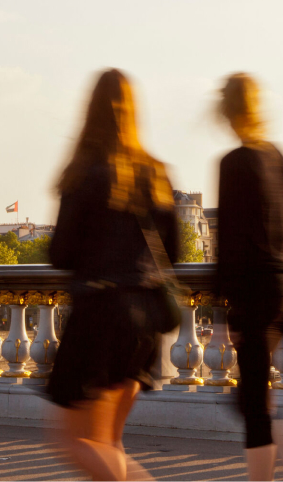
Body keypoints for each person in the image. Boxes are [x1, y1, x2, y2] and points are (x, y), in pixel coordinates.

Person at [48, 69, 178, 481]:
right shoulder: (155, 172)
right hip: (147, 318)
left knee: (71, 439)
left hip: (101, 312)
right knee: (109, 443)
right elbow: (173, 252)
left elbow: (61, 252)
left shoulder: (86, 169)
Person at [213, 73, 283, 482]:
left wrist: (221, 315)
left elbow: (229, 242)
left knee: (251, 404)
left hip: (256, 292)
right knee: (252, 396)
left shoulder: (234, 162)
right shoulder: (278, 156)